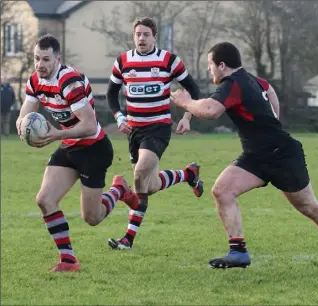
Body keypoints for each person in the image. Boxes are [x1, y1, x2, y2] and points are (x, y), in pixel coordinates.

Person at [171, 42, 318, 269]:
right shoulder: (248, 80)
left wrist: (184, 102)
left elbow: (211, 110)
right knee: (222, 190)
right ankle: (238, 251)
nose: (209, 70)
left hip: (282, 155)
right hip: (255, 157)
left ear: (221, 65)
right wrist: (188, 115)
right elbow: (268, 89)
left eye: (210, 65)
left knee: (309, 207)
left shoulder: (234, 83)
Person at [16, 34, 139, 272]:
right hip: (69, 146)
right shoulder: (34, 81)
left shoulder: (69, 82)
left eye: (46, 59)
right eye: (36, 58)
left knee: (92, 218)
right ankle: (69, 260)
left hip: (94, 148)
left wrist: (54, 135)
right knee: (45, 199)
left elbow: (90, 125)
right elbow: (25, 115)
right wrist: (25, 129)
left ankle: (119, 190)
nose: (40, 64)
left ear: (57, 59)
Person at [106, 17, 204, 250]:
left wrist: (187, 117)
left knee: (140, 173)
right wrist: (120, 118)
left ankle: (128, 240)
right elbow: (111, 95)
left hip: (158, 127)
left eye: (146, 34)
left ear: (154, 37)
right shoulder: (123, 61)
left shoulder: (168, 61)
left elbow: (194, 89)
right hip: (134, 130)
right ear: (134, 37)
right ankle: (188, 175)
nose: (141, 38)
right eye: (138, 34)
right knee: (147, 185)